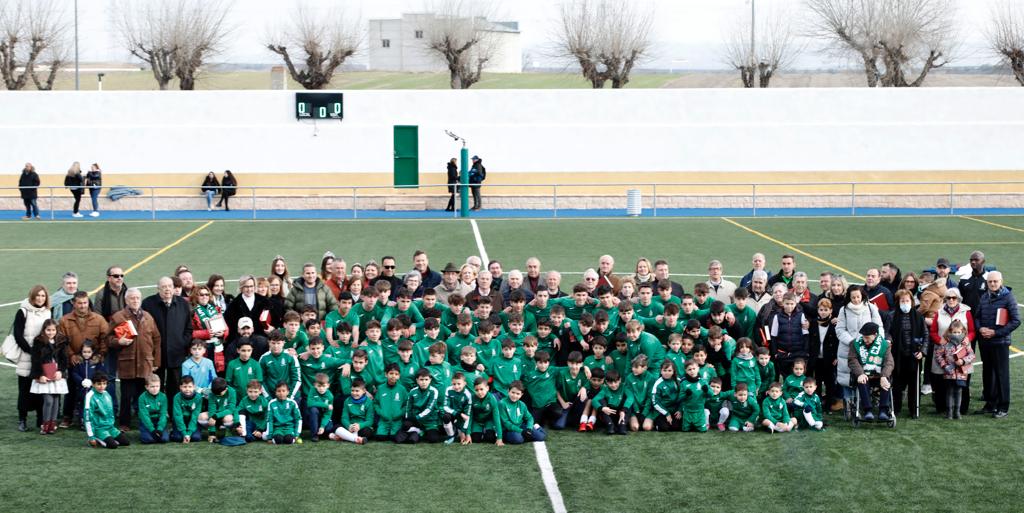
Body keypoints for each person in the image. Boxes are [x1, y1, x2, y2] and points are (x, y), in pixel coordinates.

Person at [109, 287, 161, 429]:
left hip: (145, 363)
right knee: (126, 396)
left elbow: (156, 339)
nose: (135, 300)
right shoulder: (118, 317)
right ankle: (124, 423)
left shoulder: (148, 317)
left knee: (144, 396)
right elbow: (108, 338)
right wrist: (118, 342)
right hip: (128, 364)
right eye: (132, 298)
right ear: (126, 300)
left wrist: (156, 361)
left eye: (137, 298)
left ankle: (145, 421)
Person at [58, 291, 109, 427]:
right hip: (74, 361)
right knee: (71, 389)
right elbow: (62, 341)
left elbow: (105, 338)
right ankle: (67, 416)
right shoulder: (64, 320)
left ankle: (93, 415)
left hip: (93, 361)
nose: (82, 306)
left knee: (93, 389)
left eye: (85, 302)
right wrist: (71, 355)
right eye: (79, 303)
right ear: (74, 304)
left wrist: (100, 355)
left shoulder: (99, 319)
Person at [974, 271, 1019, 418]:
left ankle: (1003, 406)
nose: (992, 284)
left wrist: (995, 333)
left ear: (1001, 281)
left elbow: (1016, 320)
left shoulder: (1008, 297)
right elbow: (977, 316)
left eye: (995, 281)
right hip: (985, 342)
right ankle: (990, 404)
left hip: (1000, 342)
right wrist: (980, 328)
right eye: (990, 281)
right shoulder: (984, 297)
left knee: (1001, 374)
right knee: (988, 374)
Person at [928, 288, 975, 416]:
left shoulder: (966, 312)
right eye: (948, 298)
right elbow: (932, 331)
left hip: (962, 352)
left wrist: (967, 338)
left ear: (958, 299)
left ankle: (961, 409)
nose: (951, 300)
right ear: (945, 299)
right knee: (942, 382)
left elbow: (972, 330)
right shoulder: (939, 312)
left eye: (954, 298)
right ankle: (943, 408)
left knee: (962, 382)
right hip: (943, 352)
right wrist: (939, 340)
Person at [142, 277, 192, 395]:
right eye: (164, 287)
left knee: (174, 384)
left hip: (176, 353)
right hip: (156, 354)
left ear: (174, 288)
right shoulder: (148, 303)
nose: (167, 289)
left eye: (170, 286)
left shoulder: (183, 304)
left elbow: (188, 328)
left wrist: (182, 343)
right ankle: (157, 411)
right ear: (158, 288)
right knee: (155, 384)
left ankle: (172, 410)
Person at [835, 285, 884, 405]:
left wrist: (876, 341)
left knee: (868, 374)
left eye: (858, 297)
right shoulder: (844, 310)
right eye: (853, 297)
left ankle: (866, 400)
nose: (856, 300)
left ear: (862, 296)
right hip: (849, 348)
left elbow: (879, 327)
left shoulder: (871, 308)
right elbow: (840, 330)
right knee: (848, 377)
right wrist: (853, 342)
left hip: (869, 347)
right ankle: (849, 402)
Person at [13, 285, 51, 432]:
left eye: (43, 296)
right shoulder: (22, 311)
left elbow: (50, 332)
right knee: (24, 389)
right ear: (32, 296)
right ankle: (22, 420)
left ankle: (40, 420)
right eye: (38, 295)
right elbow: (18, 335)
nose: (41, 298)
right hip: (26, 356)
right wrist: (31, 351)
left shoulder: (48, 312)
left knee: (41, 389)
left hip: (43, 357)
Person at [888, 289, 926, 418]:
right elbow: (887, 332)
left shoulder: (919, 316)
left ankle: (914, 409)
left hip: (914, 355)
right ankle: (896, 408)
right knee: (897, 383)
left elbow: (925, 335)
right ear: (898, 302)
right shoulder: (892, 316)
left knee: (914, 384)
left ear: (912, 301)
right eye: (902, 301)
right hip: (897, 355)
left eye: (907, 300)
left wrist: (923, 351)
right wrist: (889, 340)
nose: (905, 303)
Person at [848, 322, 894, 421]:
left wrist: (884, 376)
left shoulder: (885, 345)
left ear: (875, 335)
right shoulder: (855, 344)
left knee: (886, 381)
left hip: (878, 375)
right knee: (862, 381)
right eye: (864, 337)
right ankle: (867, 410)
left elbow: (889, 362)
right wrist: (860, 373)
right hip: (863, 375)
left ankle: (883, 410)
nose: (865, 340)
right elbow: (852, 360)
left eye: (867, 338)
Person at [29, 319, 69, 435]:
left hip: (56, 373)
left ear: (57, 330)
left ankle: (52, 423)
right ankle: (45, 423)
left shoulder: (61, 341)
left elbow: (64, 359)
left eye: (53, 330)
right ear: (44, 330)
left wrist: (61, 371)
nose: (51, 332)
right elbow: (35, 360)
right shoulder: (39, 341)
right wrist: (39, 375)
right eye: (48, 330)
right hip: (44, 374)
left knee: (56, 398)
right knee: (48, 400)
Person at [934, 320, 974, 420]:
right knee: (949, 392)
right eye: (954, 332)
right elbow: (938, 355)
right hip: (949, 373)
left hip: (961, 373)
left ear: (963, 332)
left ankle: (957, 412)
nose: (956, 334)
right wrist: (944, 366)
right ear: (950, 332)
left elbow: (972, 355)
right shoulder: (946, 344)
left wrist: (963, 361)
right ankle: (949, 413)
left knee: (959, 391)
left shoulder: (965, 344)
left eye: (958, 332)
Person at [85, 372, 129, 448]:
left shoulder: (106, 394)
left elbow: (110, 413)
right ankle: (97, 437)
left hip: (110, 427)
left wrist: (112, 425)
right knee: (113, 446)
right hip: (99, 429)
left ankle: (109, 438)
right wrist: (91, 436)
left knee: (126, 442)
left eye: (104, 383)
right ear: (93, 384)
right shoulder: (90, 396)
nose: (102, 386)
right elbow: (88, 417)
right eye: (99, 384)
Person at [225, 275, 273, 345]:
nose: (249, 289)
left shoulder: (264, 301)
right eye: (246, 286)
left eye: (251, 286)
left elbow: (272, 320)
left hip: (261, 339)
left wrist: (271, 328)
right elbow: (231, 326)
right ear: (241, 287)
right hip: (241, 341)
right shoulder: (234, 305)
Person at [138, 374, 170, 444]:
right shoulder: (142, 398)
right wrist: (152, 430)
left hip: (158, 421)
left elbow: (163, 414)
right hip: (147, 422)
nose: (155, 388)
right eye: (152, 386)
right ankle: (145, 433)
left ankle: (161, 431)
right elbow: (144, 416)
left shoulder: (163, 397)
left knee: (164, 439)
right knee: (149, 440)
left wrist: (159, 429)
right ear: (147, 387)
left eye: (157, 386)